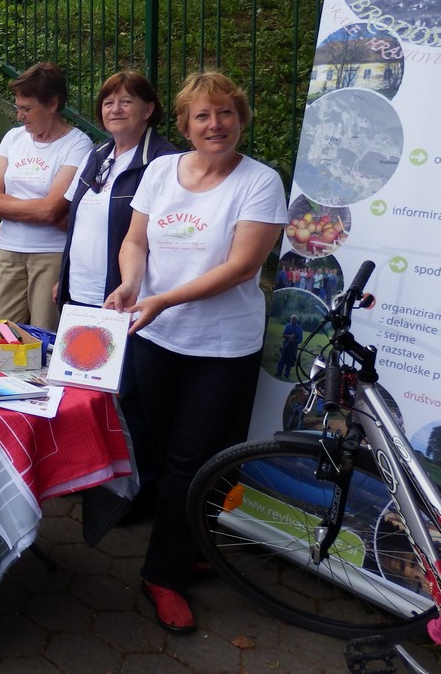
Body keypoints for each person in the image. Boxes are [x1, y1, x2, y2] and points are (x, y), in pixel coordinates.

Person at [104, 71, 287, 634]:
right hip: (156, 336)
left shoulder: (260, 182)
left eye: (226, 112)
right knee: (166, 450)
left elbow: (242, 267)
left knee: (193, 459)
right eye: (202, 115)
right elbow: (135, 241)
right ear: (184, 125)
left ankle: (163, 575)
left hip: (222, 346)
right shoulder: (161, 171)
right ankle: (189, 543)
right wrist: (132, 284)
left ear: (241, 119)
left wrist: (162, 299)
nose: (216, 124)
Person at [57, 70, 178, 521]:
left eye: (127, 101)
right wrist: (65, 276)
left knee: (128, 402)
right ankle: (87, 480)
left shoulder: (164, 162)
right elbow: (75, 221)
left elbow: (152, 238)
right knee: (83, 394)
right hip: (81, 296)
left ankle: (134, 496)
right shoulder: (98, 155)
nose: (115, 108)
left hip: (125, 302)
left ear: (149, 110)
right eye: (108, 101)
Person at [0, 62, 92, 330]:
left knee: (45, 333)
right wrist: (36, 208)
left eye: (27, 109)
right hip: (8, 249)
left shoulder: (78, 144)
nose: (20, 116)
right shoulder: (13, 138)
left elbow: (51, 209)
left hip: (51, 253)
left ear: (53, 104)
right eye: (18, 107)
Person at [277, 314, 303, 378]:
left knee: (290, 361)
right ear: (290, 319)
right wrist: (290, 336)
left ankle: (287, 374)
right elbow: (283, 335)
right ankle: (279, 372)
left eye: (294, 320)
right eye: (292, 319)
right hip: (286, 345)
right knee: (282, 359)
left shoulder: (299, 329)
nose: (293, 321)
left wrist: (293, 341)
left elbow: (300, 340)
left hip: (293, 347)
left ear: (296, 321)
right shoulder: (287, 326)